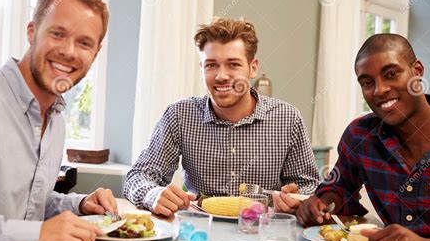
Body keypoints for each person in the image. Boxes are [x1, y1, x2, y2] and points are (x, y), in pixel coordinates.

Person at [0, 0, 117, 241]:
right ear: (32, 31)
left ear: (96, 53)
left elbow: (29, 206)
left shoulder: (55, 116)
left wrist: (79, 204)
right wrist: (36, 234)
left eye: (84, 43)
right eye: (57, 34)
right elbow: (32, 230)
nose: (69, 52)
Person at [124, 18, 320, 216]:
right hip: (197, 235)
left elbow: (310, 186)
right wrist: (153, 194)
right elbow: (138, 176)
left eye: (233, 64)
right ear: (201, 69)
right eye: (211, 65)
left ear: (253, 67)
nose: (221, 76)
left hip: (260, 235)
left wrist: (298, 199)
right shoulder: (179, 116)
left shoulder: (288, 118)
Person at [296, 33, 430, 241]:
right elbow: (341, 189)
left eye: (391, 74)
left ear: (417, 71)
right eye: (367, 83)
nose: (379, 90)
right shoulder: (361, 135)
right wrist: (321, 204)